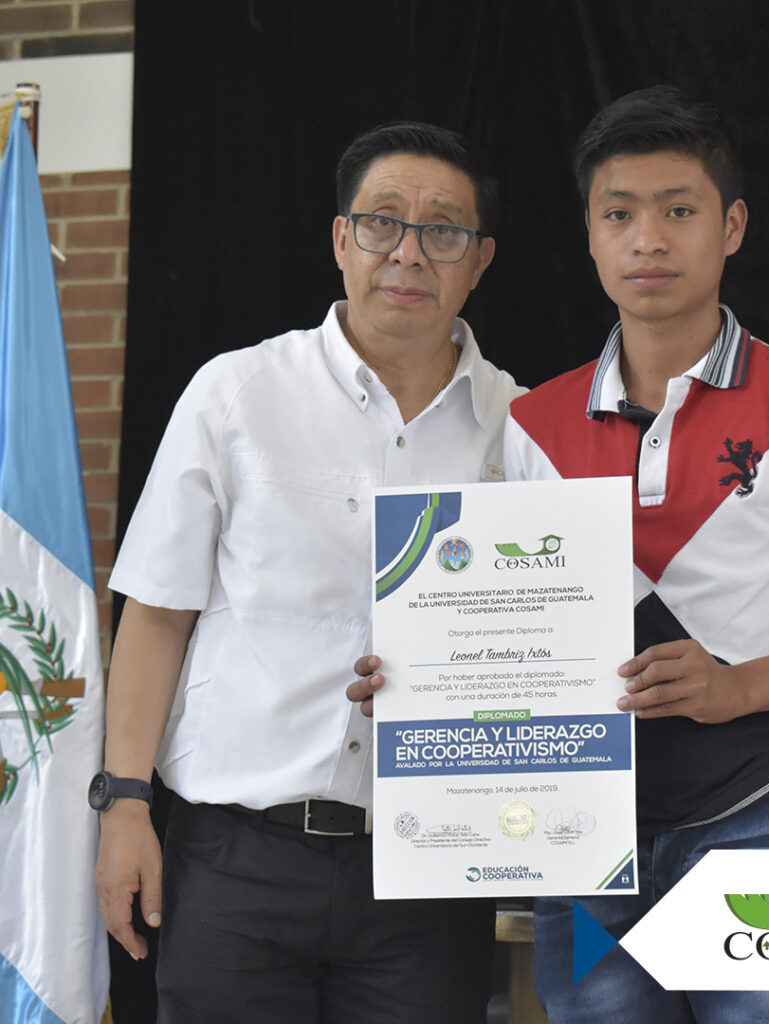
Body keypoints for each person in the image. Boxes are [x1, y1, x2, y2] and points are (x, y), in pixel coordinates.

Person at [499, 87, 769, 1023]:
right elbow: (512, 633)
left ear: (732, 225)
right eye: (619, 214)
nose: (647, 239)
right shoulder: (530, 424)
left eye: (679, 210)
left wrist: (738, 686)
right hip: (584, 840)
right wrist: (422, 679)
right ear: (589, 234)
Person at [93, 121, 524, 1024]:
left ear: (481, 261)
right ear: (340, 238)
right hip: (237, 861)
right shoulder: (237, 393)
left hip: (432, 870)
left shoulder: (524, 429)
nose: (408, 252)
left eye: (443, 231)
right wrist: (125, 804)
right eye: (382, 222)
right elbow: (157, 613)